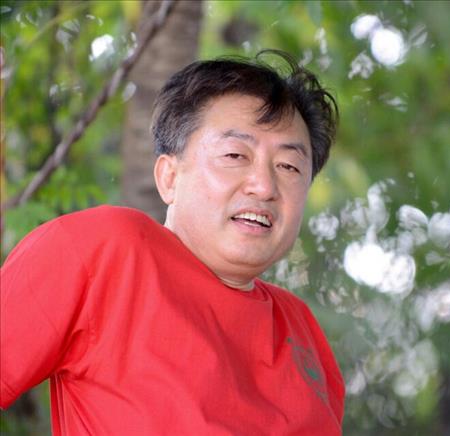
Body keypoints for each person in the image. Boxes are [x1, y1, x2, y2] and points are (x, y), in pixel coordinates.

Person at [1, 50, 345, 435]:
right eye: (235, 154)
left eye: (289, 166)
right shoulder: (105, 251)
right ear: (169, 177)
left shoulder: (302, 332)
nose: (264, 186)